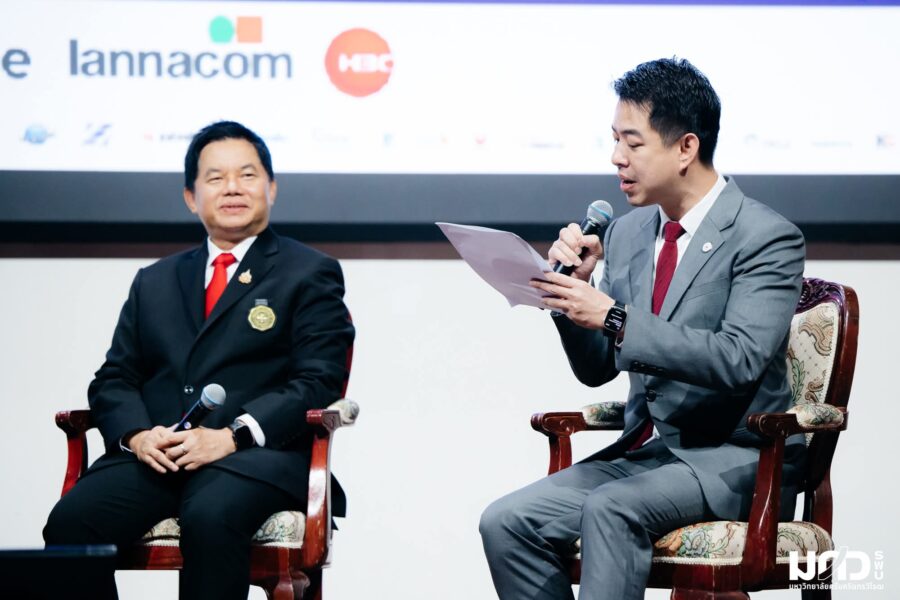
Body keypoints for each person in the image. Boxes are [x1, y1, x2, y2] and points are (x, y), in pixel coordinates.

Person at [479, 58, 806, 600]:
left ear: (686, 148)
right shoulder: (629, 233)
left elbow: (739, 358)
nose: (616, 157)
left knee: (611, 509)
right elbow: (597, 370)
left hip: (735, 459)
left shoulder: (765, 236)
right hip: (646, 455)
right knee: (507, 521)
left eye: (632, 143)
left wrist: (612, 315)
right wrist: (571, 298)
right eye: (614, 140)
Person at [43, 121, 355, 599]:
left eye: (247, 175)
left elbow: (317, 381)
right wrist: (139, 436)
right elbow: (115, 378)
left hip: (257, 460)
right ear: (191, 197)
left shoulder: (309, 271)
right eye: (215, 177)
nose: (232, 187)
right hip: (161, 458)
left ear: (271, 187)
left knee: (211, 515)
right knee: (72, 523)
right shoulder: (155, 280)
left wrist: (232, 436)